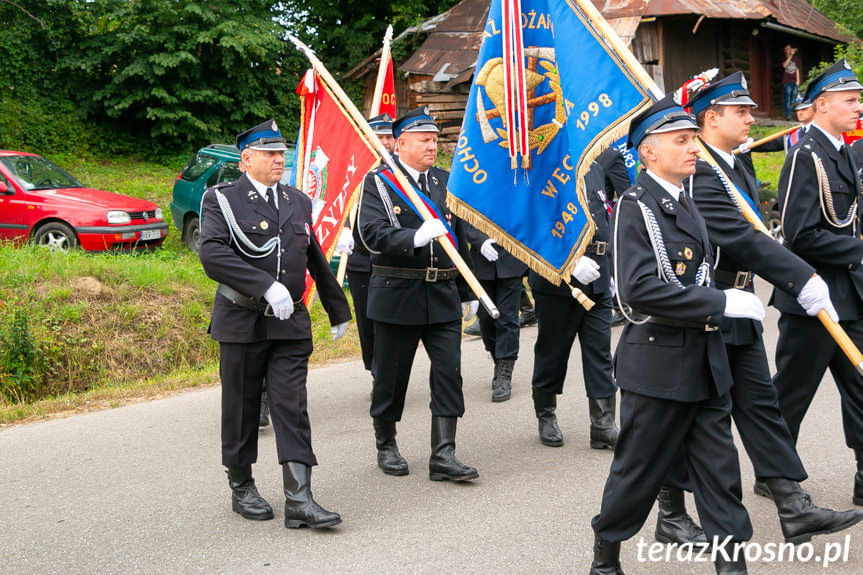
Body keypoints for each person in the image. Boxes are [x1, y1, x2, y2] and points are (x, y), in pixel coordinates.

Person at [651, 71, 861, 548]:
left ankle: (792, 504)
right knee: (690, 414)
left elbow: (758, 235)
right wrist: (802, 278)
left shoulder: (734, 165)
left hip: (741, 306)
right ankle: (669, 511)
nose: (751, 118)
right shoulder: (701, 172)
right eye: (741, 111)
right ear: (711, 117)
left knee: (762, 407)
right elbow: (741, 235)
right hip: (707, 306)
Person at [590, 95, 762, 575]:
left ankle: (733, 566)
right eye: (681, 140)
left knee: (720, 475)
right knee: (637, 472)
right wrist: (722, 301)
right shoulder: (634, 206)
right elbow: (640, 290)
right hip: (658, 363)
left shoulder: (689, 201)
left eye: (692, 139)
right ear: (648, 151)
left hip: (707, 360)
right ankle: (605, 560)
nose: (693, 148)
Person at [199, 119, 351, 529]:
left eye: (282, 152)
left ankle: (299, 498)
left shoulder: (297, 200)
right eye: (269, 153)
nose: (279, 159)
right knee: (242, 406)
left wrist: (338, 307)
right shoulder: (222, 199)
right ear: (246, 159)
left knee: (291, 406)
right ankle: (241, 485)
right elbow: (212, 254)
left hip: (289, 324)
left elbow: (311, 254)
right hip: (241, 320)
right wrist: (264, 285)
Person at [358, 106, 479, 481]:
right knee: (391, 377)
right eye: (424, 140)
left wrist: (465, 287)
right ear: (402, 143)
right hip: (398, 293)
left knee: (449, 373)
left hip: (441, 291)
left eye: (435, 139)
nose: (432, 146)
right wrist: (413, 236)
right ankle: (386, 444)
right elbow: (371, 234)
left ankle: (443, 454)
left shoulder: (444, 181)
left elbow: (457, 240)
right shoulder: (379, 183)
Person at [771, 59, 863, 506]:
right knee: (793, 393)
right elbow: (798, 231)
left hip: (852, 296)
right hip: (813, 297)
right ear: (822, 105)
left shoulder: (844, 151)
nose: (858, 106)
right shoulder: (807, 154)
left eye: (858, 99)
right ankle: (775, 474)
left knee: (862, 388)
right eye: (850, 100)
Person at [527, 161, 618, 450]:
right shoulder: (542, 169)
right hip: (558, 280)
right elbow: (534, 227)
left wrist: (613, 269)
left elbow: (605, 218)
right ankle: (546, 415)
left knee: (600, 353)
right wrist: (570, 262)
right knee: (552, 353)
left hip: (599, 275)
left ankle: (603, 425)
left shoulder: (594, 166)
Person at [335, 113, 396, 386]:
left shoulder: (400, 172)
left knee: (392, 320)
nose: (385, 142)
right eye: (379, 137)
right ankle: (375, 371)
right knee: (367, 320)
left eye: (389, 137)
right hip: (360, 258)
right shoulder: (352, 170)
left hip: (393, 258)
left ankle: (390, 371)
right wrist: (341, 230)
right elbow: (334, 203)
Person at [465, 224, 527, 402]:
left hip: (511, 256)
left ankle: (504, 371)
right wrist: (480, 241)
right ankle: (497, 358)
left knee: (508, 318)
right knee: (485, 320)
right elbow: (464, 216)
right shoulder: (476, 193)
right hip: (482, 259)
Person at [782, 44, 802, 121]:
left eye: (789, 48)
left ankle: (790, 114)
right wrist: (790, 56)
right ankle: (788, 116)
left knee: (793, 99)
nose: (788, 50)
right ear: (785, 50)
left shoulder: (795, 59)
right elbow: (784, 65)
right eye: (787, 49)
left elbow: (797, 69)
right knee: (788, 99)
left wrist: (798, 81)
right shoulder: (784, 58)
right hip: (787, 82)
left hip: (794, 82)